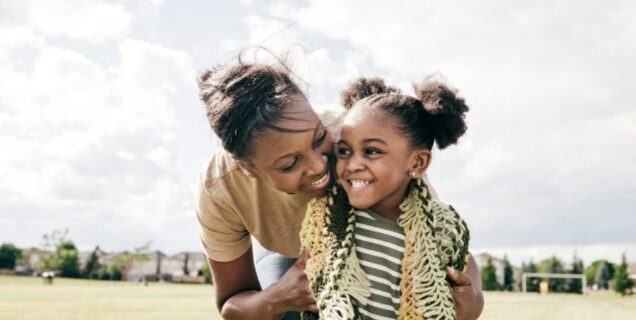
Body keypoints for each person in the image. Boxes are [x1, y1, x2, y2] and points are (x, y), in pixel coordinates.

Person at [196, 59, 484, 320]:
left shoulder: (355, 141)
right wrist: (276, 299)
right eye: (290, 163)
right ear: (249, 169)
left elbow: (438, 238)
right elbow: (232, 305)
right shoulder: (221, 185)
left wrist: (474, 300)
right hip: (287, 258)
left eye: (319, 138)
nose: (320, 165)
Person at [300, 77, 481, 320]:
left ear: (417, 163)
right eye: (344, 151)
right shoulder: (329, 220)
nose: (353, 164)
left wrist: (474, 301)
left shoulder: (439, 226)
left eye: (371, 151)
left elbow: (464, 264)